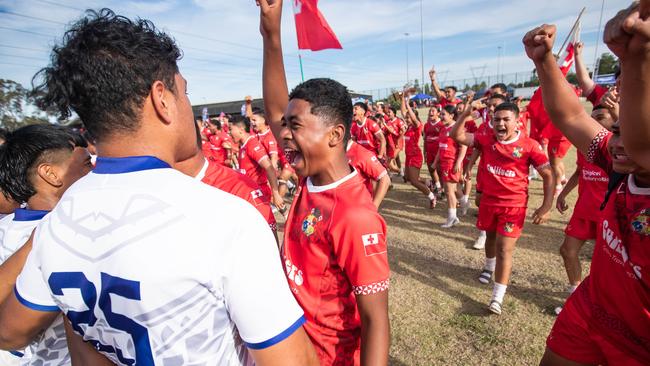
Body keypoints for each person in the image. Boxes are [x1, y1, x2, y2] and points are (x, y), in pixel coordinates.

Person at [0, 9, 317, 365]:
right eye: (184, 93)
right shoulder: (226, 219)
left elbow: (10, 331)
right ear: (162, 99)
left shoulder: (58, 222)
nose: (186, 106)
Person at [259, 1, 390, 364]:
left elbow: (376, 321)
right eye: (285, 125)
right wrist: (271, 32)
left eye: (294, 126)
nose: (283, 134)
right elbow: (273, 110)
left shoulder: (355, 216)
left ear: (334, 135)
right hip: (293, 346)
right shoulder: (310, 175)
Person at [523, 8, 649, 363]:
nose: (618, 141)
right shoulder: (617, 160)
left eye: (629, 132)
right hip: (591, 310)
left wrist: (637, 55)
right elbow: (571, 116)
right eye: (616, 131)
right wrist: (544, 61)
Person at [0, 125, 92, 366]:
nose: (95, 171)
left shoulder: (7, 225)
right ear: (50, 174)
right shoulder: (67, 233)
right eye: (85, 164)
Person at [451, 100, 554, 315]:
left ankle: (497, 297)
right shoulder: (486, 140)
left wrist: (546, 205)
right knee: (489, 239)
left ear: (517, 122)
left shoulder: (530, 146)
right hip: (488, 202)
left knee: (505, 250)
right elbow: (456, 135)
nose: (500, 123)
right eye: (497, 119)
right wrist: (466, 115)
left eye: (506, 119)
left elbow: (547, 175)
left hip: (514, 207)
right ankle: (488, 267)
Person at [554, 105, 614, 315]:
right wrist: (563, 194)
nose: (594, 122)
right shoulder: (585, 147)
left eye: (600, 117)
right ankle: (575, 296)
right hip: (583, 211)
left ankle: (602, 304)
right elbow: (580, 172)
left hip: (608, 216)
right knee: (567, 251)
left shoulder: (621, 149)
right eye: (592, 117)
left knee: (606, 264)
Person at [467, 93, 508, 249]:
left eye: (495, 105)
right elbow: (478, 147)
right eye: (489, 105)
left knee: (494, 205)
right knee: (480, 202)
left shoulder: (512, 126)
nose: (491, 108)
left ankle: (485, 234)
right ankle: (487, 231)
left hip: (503, 176)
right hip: (485, 173)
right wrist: (470, 165)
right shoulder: (484, 126)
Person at [229, 117, 285, 211]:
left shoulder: (252, 144)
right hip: (250, 192)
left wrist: (276, 194)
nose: (229, 133)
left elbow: (269, 167)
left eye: (231, 129)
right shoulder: (243, 146)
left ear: (241, 130)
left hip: (259, 193)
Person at [400, 90, 437, 209]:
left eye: (408, 117)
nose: (406, 119)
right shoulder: (409, 127)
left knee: (414, 181)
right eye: (406, 118)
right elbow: (403, 112)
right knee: (408, 178)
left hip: (415, 156)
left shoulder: (417, 126)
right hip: (409, 156)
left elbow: (411, 116)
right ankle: (428, 182)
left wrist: (407, 102)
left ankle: (431, 196)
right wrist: (402, 99)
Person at [433, 105, 467, 228]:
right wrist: (435, 162)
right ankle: (465, 203)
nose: (440, 117)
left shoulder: (456, 128)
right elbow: (440, 147)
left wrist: (458, 162)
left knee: (448, 190)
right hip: (444, 163)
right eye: (440, 114)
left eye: (443, 114)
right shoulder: (443, 129)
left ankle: (452, 218)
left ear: (451, 115)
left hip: (452, 162)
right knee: (454, 187)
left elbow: (464, 146)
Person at [346, 139, 391, 208]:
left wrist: (374, 207)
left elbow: (385, 179)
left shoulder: (360, 153)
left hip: (359, 208)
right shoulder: (333, 154)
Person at [423, 106, 444, 196]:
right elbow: (425, 139)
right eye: (429, 111)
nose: (430, 112)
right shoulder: (426, 125)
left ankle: (442, 189)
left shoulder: (442, 125)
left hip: (438, 152)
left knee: (439, 171)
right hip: (429, 151)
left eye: (433, 111)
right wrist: (424, 152)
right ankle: (438, 186)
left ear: (438, 113)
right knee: (431, 169)